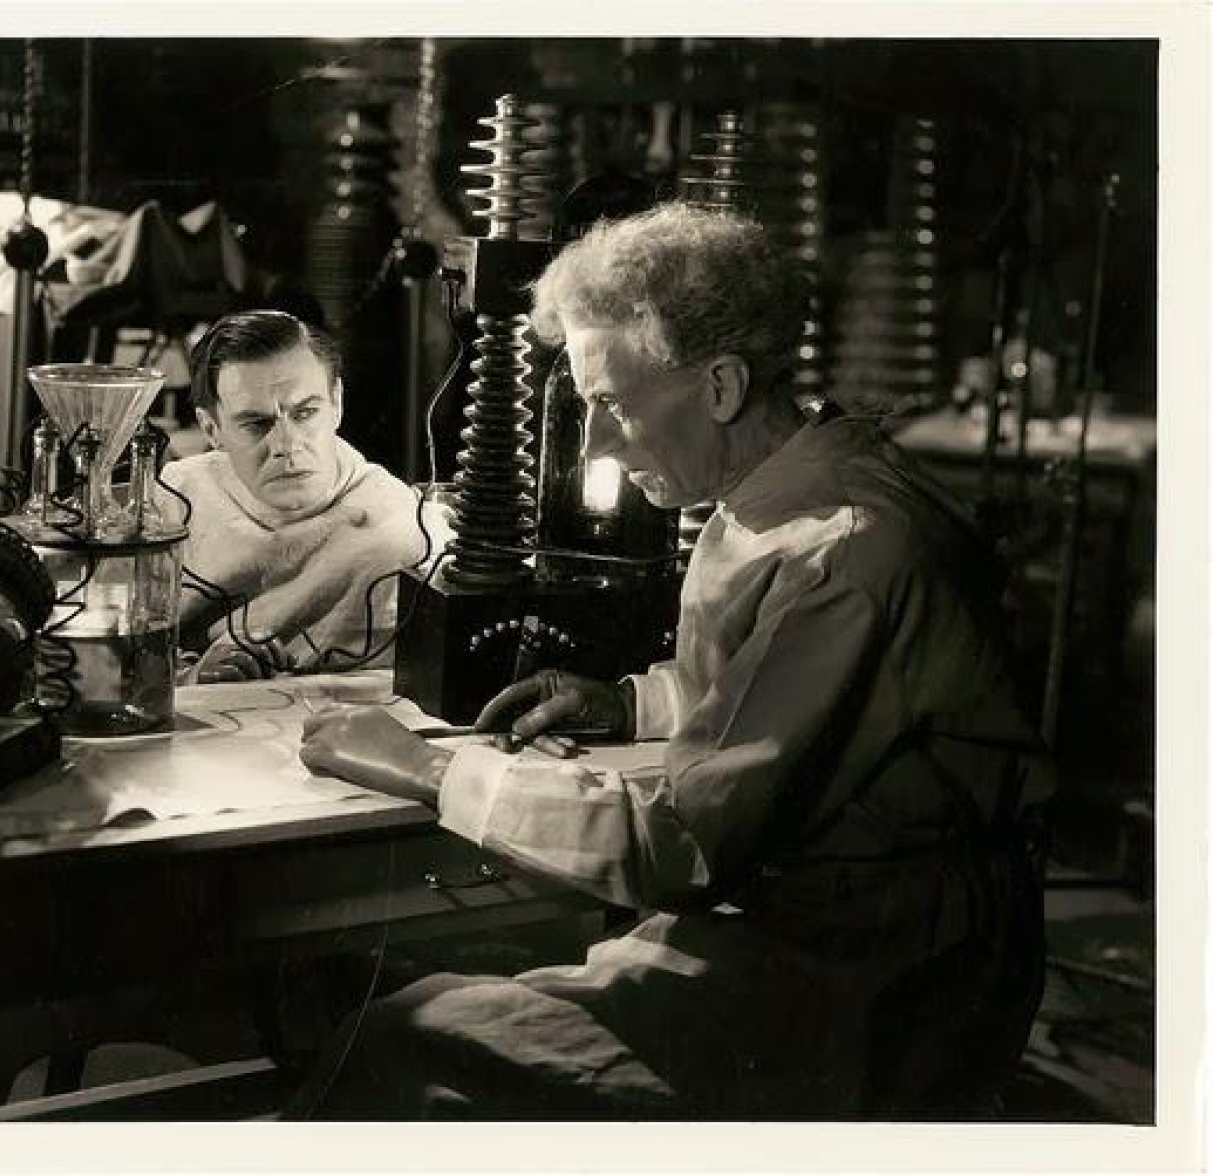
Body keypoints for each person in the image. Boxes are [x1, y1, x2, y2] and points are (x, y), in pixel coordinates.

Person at [294, 203, 1053, 1120]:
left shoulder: (840, 548)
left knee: (400, 1040)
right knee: (418, 1003)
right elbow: (779, 691)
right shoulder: (791, 486)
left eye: (612, 404)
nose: (595, 444)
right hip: (828, 922)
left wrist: (427, 770)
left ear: (722, 385)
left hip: (874, 974)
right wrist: (631, 706)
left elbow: (683, 845)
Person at [158, 309, 442, 680]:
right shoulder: (177, 496)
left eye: (305, 413)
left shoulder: (405, 531)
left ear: (337, 403)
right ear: (212, 429)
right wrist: (191, 677)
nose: (286, 445)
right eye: (256, 424)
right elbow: (113, 662)